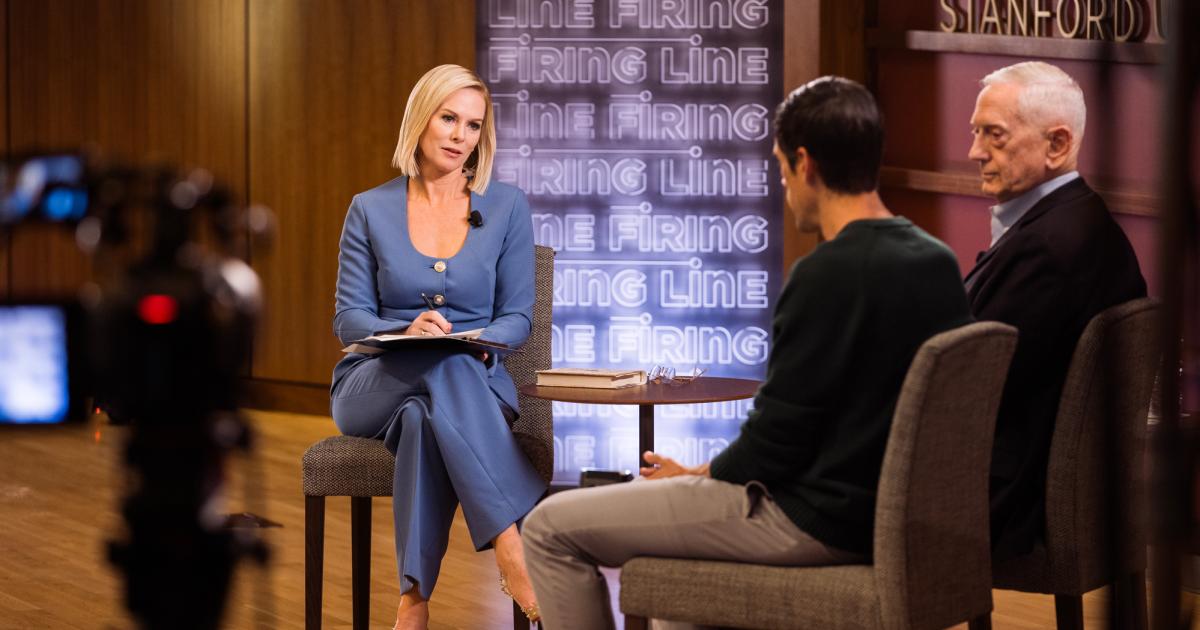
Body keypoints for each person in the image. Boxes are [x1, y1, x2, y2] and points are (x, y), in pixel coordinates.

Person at [521, 77, 973, 629]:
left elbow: (775, 441)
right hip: (880, 516)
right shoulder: (937, 262)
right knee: (674, 584)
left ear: (805, 164)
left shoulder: (825, 275)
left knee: (548, 527)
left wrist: (698, 479)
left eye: (781, 167)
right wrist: (698, 473)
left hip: (808, 519)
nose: (783, 185)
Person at [330, 64, 545, 629]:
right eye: (448, 118)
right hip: (374, 381)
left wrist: (476, 338)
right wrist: (405, 332)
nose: (459, 135)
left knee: (427, 418)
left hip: (475, 380)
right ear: (420, 120)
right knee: (438, 370)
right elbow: (349, 319)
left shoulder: (506, 207)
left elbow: (518, 319)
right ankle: (512, 543)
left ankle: (413, 602)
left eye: (473, 125)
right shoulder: (369, 208)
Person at [963, 61, 1146, 561]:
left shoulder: (1047, 248)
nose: (974, 152)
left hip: (998, 499)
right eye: (977, 133)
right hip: (1037, 483)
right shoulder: (1083, 220)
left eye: (994, 135)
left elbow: (965, 390)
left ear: (1058, 144)